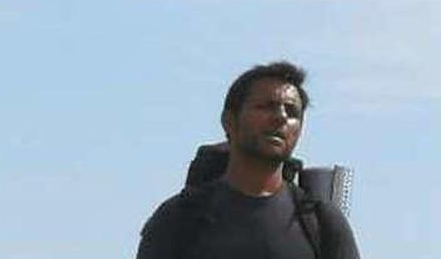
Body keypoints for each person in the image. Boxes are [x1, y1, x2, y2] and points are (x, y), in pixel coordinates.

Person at [135, 61, 361, 259]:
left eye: (292, 112)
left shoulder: (321, 223)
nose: (280, 117)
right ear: (229, 121)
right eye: (265, 106)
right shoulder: (179, 219)